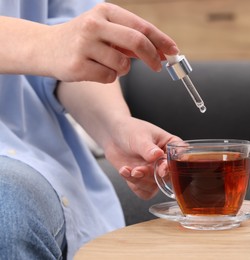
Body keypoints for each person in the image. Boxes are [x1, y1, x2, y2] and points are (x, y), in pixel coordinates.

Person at [0, 1, 181, 259]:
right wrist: (49, 43)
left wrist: (115, 126)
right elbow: (56, 44)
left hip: (27, 166)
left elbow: (70, 57)